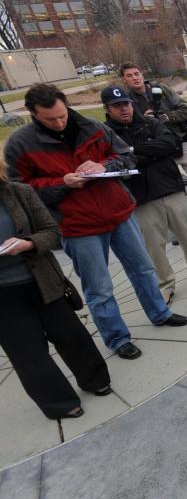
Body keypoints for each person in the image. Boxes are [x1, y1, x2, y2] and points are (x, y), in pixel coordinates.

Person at [4, 84, 187, 361]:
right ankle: (117, 338)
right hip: (77, 226)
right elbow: (20, 190)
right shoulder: (20, 143)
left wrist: (104, 167)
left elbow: (126, 155)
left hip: (118, 212)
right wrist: (61, 183)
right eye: (49, 119)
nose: (58, 122)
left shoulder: (92, 126)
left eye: (62, 115)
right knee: (99, 287)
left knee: (143, 269)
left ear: (66, 105)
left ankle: (159, 313)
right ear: (33, 114)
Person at [0, 162, 111, 419]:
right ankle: (58, 402)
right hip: (4, 297)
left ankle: (95, 379)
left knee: (70, 334)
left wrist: (28, 243)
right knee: (26, 351)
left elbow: (52, 231)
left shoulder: (19, 192)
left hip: (42, 279)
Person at [101, 86, 187, 305]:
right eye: (117, 106)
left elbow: (168, 145)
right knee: (154, 245)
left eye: (126, 104)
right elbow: (114, 161)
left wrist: (132, 152)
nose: (123, 109)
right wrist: (149, 150)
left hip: (169, 187)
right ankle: (165, 284)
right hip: (141, 197)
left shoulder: (151, 122)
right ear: (107, 108)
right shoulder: (107, 133)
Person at [120, 63, 187, 220]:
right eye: (129, 76)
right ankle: (179, 223)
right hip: (159, 150)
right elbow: (130, 127)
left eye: (136, 73)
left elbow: (186, 109)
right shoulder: (128, 101)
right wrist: (146, 121)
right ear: (124, 79)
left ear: (142, 74)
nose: (134, 78)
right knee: (172, 190)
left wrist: (166, 117)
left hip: (180, 141)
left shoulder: (161, 89)